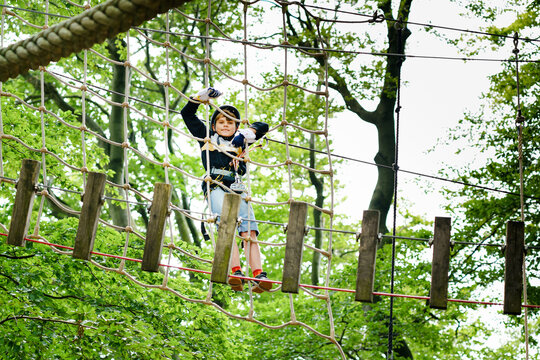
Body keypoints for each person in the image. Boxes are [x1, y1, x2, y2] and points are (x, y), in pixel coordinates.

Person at [180, 87, 272, 293]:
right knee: (226, 224)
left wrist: (247, 134)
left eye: (230, 122)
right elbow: (187, 114)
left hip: (237, 190)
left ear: (237, 126)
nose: (226, 125)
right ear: (214, 125)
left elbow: (264, 126)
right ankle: (235, 270)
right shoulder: (207, 137)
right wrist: (199, 99)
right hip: (216, 186)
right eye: (221, 121)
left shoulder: (241, 141)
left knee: (249, 230)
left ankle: (258, 273)